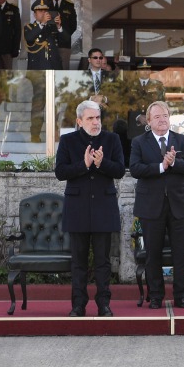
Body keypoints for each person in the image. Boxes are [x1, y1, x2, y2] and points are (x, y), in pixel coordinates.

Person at [55, 100, 126, 317]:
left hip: (104, 207)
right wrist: (84, 165)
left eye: (98, 118)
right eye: (90, 119)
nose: (95, 123)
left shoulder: (112, 139)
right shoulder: (68, 141)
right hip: (77, 208)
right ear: (79, 121)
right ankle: (78, 305)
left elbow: (120, 170)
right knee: (79, 262)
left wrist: (101, 163)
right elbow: (60, 172)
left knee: (103, 261)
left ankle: (104, 304)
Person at [129, 101, 184, 309]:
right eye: (157, 117)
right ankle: (156, 296)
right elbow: (135, 169)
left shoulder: (182, 140)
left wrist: (175, 163)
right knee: (153, 254)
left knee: (181, 253)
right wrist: (162, 166)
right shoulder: (139, 142)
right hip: (151, 205)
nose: (162, 120)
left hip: (179, 205)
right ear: (149, 121)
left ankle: (180, 296)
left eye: (165, 116)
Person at [23, 0, 62, 70]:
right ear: (35, 15)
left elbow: (65, 40)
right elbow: (29, 38)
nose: (43, 13)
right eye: (40, 11)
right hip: (37, 68)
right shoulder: (29, 27)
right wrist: (42, 23)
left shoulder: (52, 27)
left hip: (53, 66)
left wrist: (59, 26)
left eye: (45, 11)